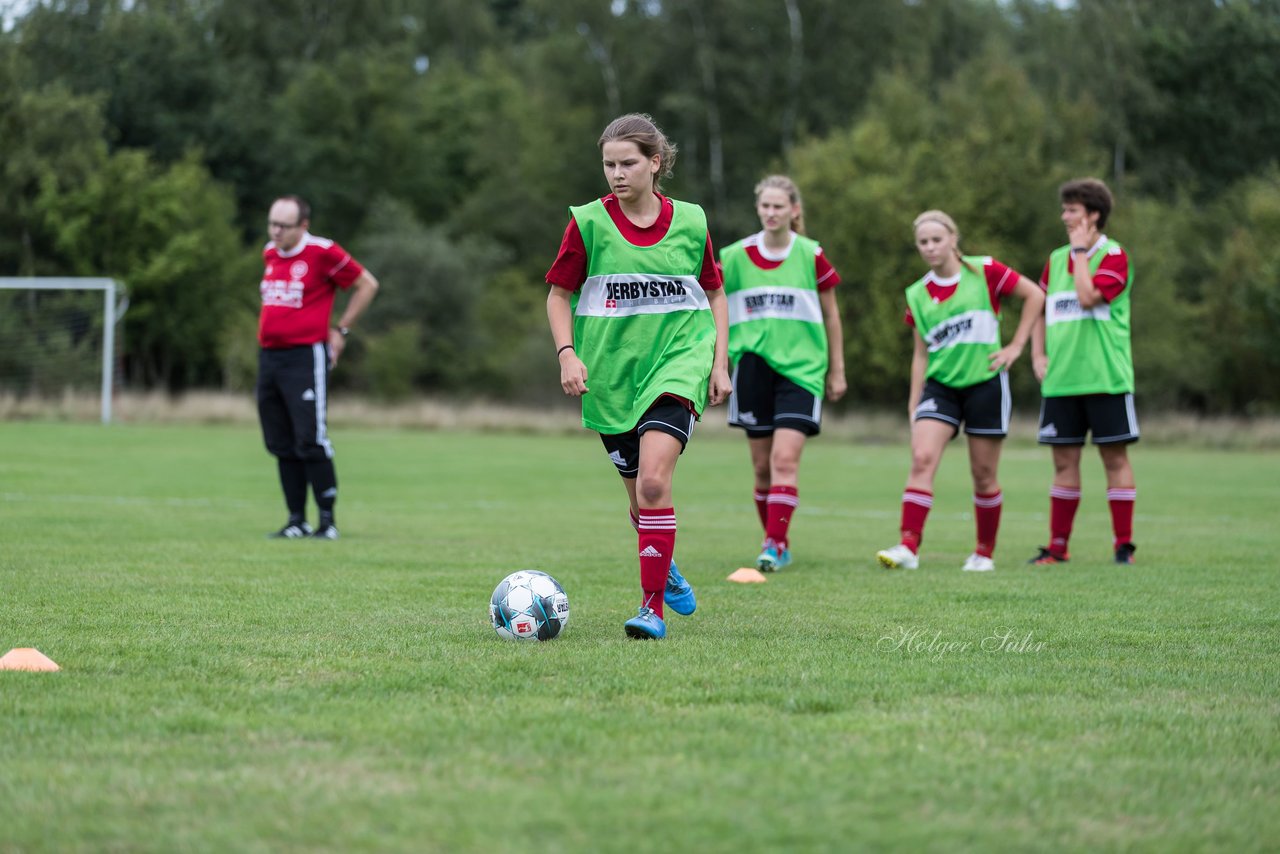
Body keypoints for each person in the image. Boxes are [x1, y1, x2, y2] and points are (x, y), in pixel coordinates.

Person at [546, 113, 731, 640]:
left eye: (628, 163)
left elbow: (715, 292)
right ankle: (664, 565)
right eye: (609, 164)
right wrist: (567, 354)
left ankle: (651, 608)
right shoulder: (587, 224)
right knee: (639, 497)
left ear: (656, 163)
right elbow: (559, 295)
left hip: (679, 361)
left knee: (653, 479)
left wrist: (718, 362)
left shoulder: (692, 222)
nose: (617, 174)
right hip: (610, 373)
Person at [876, 210, 1045, 572]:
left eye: (937, 239)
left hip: (986, 383)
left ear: (953, 239)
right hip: (940, 388)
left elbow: (1035, 296)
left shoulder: (985, 271)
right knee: (922, 458)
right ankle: (909, 546)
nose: (930, 247)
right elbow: (920, 354)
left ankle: (983, 553)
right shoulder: (917, 293)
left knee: (983, 474)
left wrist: (1016, 346)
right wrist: (913, 403)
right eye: (923, 242)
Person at [720, 175, 846, 572]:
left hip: (802, 371)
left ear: (794, 210)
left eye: (779, 206)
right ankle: (778, 540)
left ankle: (772, 544)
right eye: (765, 206)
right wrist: (716, 363)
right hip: (752, 368)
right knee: (761, 468)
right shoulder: (735, 256)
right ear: (758, 209)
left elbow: (831, 315)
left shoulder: (811, 254)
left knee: (784, 459)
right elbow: (713, 307)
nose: (771, 213)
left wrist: (837, 370)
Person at [1028, 178, 1138, 565]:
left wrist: (1079, 254)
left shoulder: (1114, 256)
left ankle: (1123, 546)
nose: (1065, 216)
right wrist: (1037, 354)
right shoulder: (1056, 259)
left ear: (1093, 215)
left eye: (1072, 210)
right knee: (1063, 463)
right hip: (1061, 381)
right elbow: (1039, 308)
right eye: (1064, 209)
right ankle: (1058, 547)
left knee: (1114, 459)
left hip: (1106, 377)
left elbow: (1089, 298)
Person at [257, 195, 379, 540]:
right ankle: (296, 520)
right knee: (279, 441)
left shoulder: (322, 252)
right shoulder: (269, 252)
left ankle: (327, 522)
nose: (276, 231)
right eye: (272, 223)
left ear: (303, 226)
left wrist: (341, 330)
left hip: (304, 357)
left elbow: (367, 284)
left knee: (311, 439)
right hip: (269, 357)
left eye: (284, 226)